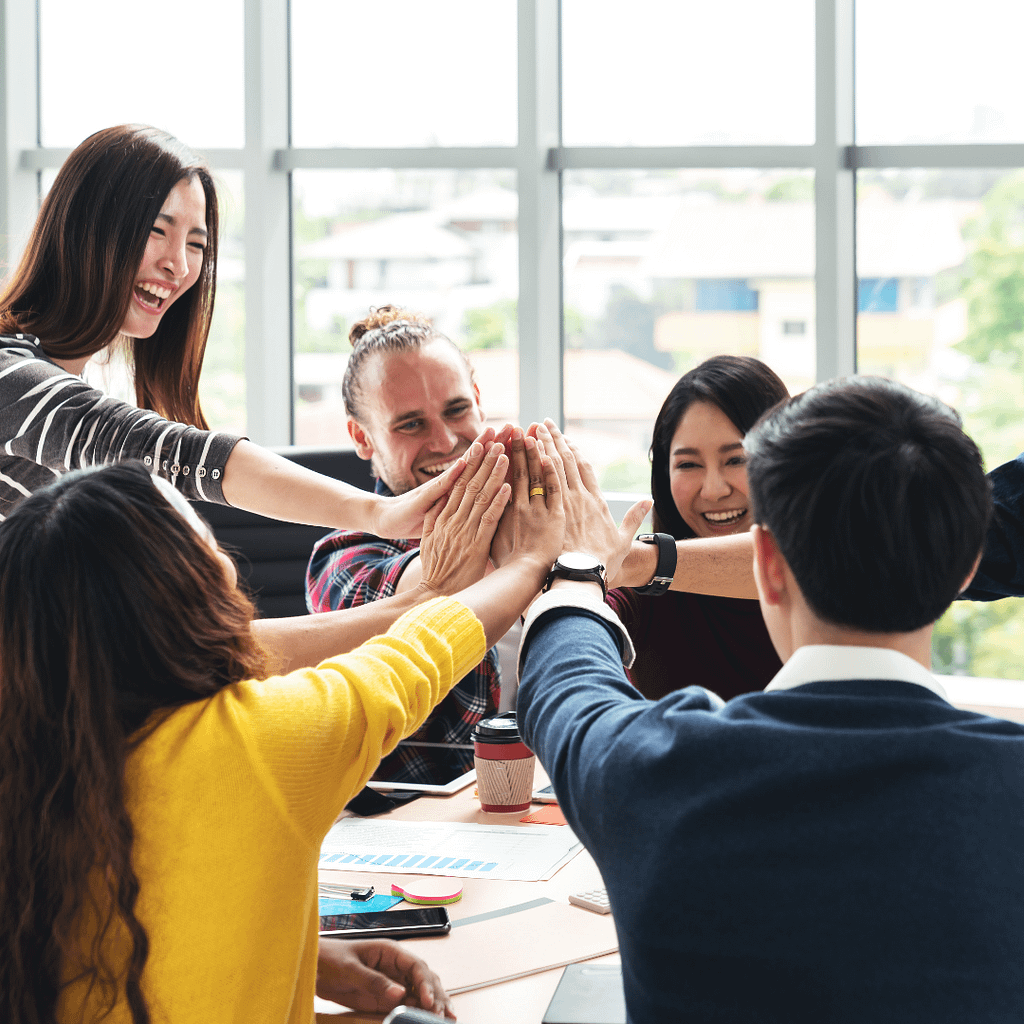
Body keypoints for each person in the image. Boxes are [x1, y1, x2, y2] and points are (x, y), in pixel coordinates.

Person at [0, 435, 565, 1023]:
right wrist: (532, 560)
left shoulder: (26, 760)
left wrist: (302, 956)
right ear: (190, 585)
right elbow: (417, 654)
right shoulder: (259, 743)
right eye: (204, 537)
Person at [511, 382, 1024, 1023]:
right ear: (968, 564)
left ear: (766, 563)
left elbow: (566, 682)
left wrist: (578, 570)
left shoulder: (651, 771)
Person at [0, 124, 460, 565]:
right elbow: (168, 449)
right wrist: (376, 514)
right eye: (158, 230)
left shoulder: (60, 383)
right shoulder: (10, 376)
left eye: (196, 244)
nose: (178, 265)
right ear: (86, 227)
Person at [306, 305, 502, 785]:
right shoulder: (343, 559)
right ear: (363, 437)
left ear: (477, 400)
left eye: (457, 409)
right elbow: (434, 583)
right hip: (426, 828)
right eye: (411, 424)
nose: (445, 441)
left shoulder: (534, 514)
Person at [605, 355, 787, 699]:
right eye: (688, 464)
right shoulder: (640, 593)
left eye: (737, 459)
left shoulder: (827, 578)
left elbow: (804, 560)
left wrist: (641, 562)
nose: (714, 489)